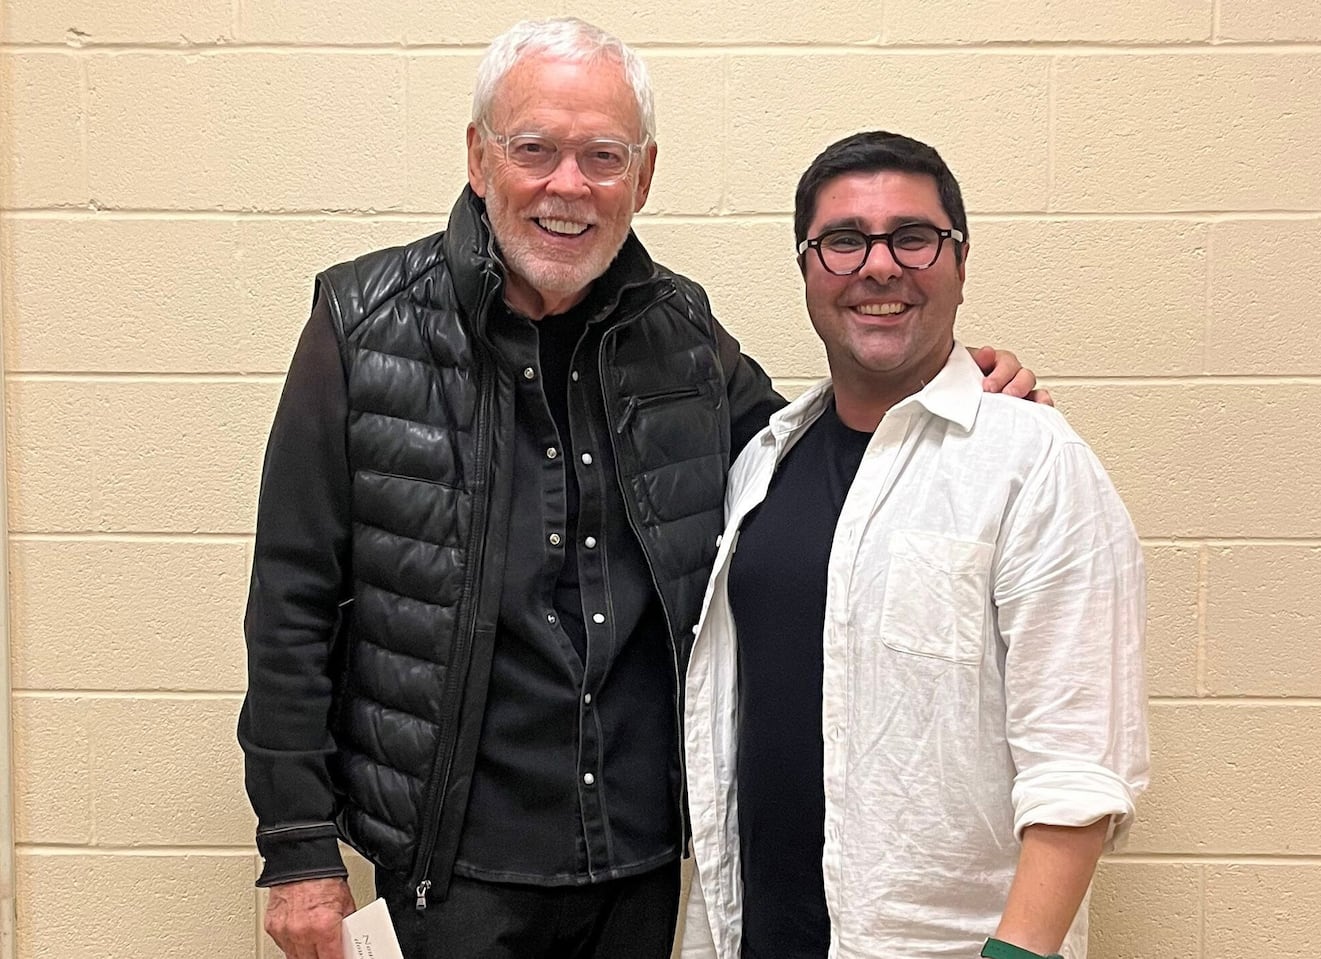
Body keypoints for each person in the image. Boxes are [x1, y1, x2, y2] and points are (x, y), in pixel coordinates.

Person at [239, 19, 1044, 959]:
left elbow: (817, 460)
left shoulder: (682, 331)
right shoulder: (361, 323)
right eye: (534, 149)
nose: (567, 186)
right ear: (478, 156)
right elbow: (291, 596)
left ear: (644, 176)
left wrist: (954, 391)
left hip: (644, 862)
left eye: (602, 156)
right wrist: (296, 845)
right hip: (447, 869)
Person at [681, 131, 1149, 959]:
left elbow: (1079, 765)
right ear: (808, 270)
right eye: (844, 241)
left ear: (960, 263)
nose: (881, 266)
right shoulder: (761, 463)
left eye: (913, 237)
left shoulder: (1035, 461)